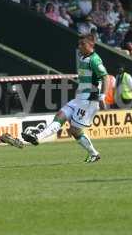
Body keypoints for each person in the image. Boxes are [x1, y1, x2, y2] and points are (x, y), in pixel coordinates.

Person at [21, 34, 109, 163]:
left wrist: (102, 97)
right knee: (60, 115)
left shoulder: (94, 60)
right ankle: (37, 137)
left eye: (82, 44)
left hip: (89, 99)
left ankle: (94, 153)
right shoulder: (83, 57)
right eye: (79, 44)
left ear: (91, 45)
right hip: (79, 98)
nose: (79, 47)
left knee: (74, 130)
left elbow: (105, 77)